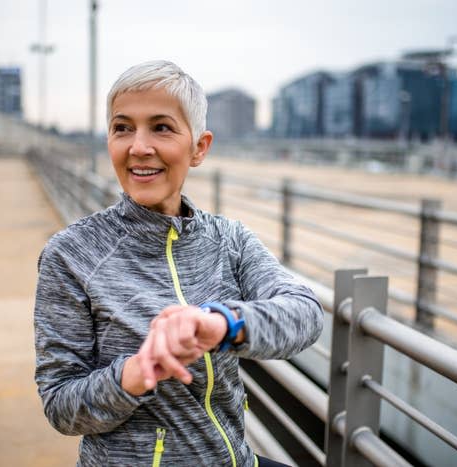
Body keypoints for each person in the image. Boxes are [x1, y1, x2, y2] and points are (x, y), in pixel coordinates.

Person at [34, 60, 324, 467]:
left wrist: (222, 324)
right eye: (122, 128)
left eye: (161, 127)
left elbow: (305, 314)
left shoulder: (229, 239)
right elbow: (61, 405)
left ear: (199, 148)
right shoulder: (70, 254)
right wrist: (136, 373)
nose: (138, 146)